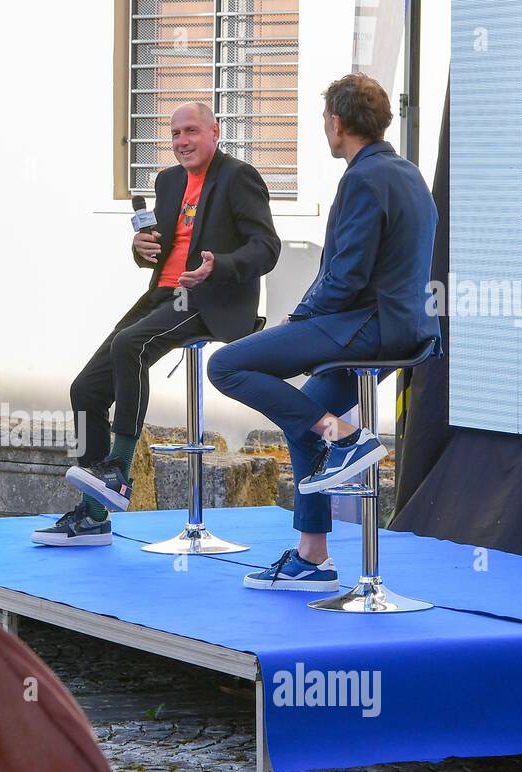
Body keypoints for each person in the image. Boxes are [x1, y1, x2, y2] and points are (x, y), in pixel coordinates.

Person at [207, 73, 439, 592]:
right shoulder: (409, 174)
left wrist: (300, 316)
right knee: (304, 416)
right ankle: (313, 556)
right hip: (405, 330)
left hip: (365, 327)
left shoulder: (362, 179)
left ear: (336, 123)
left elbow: (347, 274)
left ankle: (349, 438)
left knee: (225, 365)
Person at [31, 102, 279, 546]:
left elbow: (267, 248)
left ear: (214, 132)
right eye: (175, 134)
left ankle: (117, 472)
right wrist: (139, 246)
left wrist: (217, 266)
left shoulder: (238, 177)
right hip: (162, 295)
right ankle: (93, 517)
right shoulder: (167, 182)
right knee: (85, 388)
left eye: (191, 132)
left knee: (130, 345)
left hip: (210, 297)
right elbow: (160, 245)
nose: (182, 141)